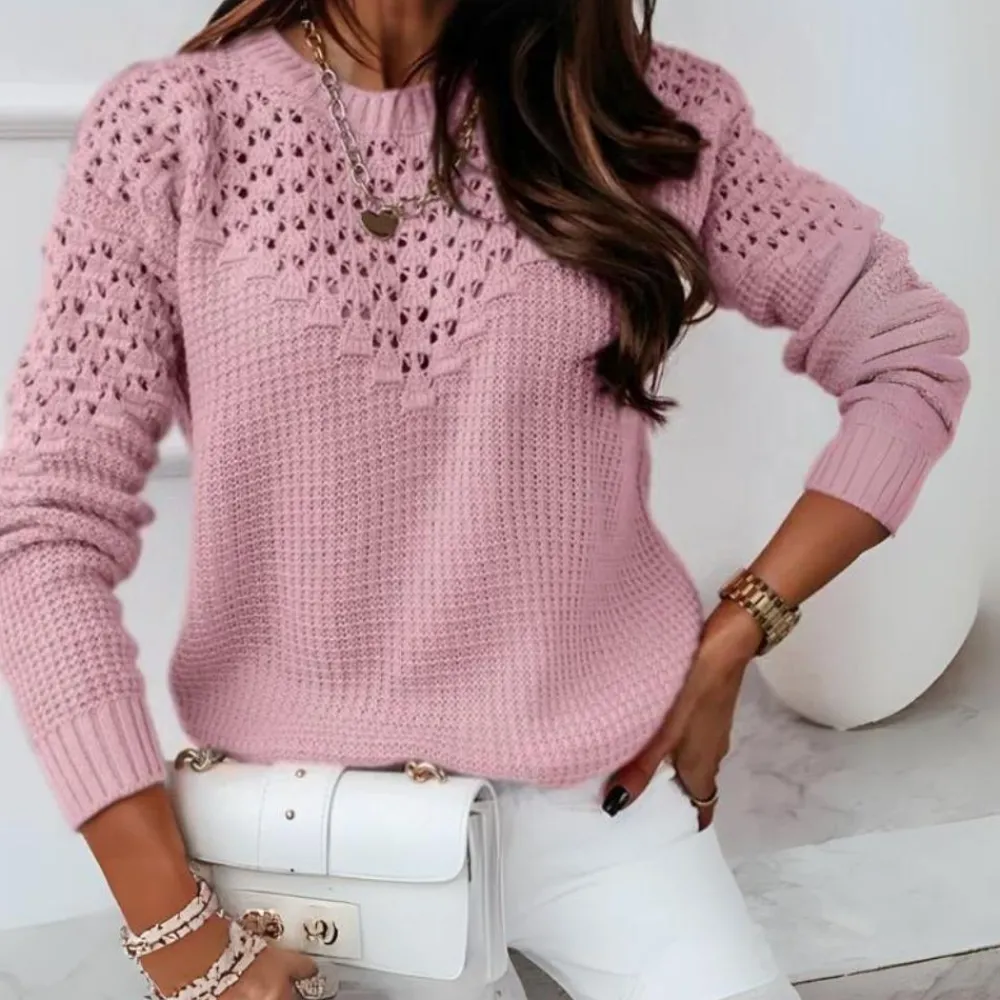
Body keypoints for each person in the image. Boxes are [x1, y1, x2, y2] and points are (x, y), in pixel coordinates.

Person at [0, 0, 970, 998]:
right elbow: (43, 531)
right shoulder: (172, 129)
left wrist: (742, 625)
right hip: (315, 843)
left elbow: (907, 351)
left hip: (605, 805)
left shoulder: (640, 110)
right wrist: (174, 932)